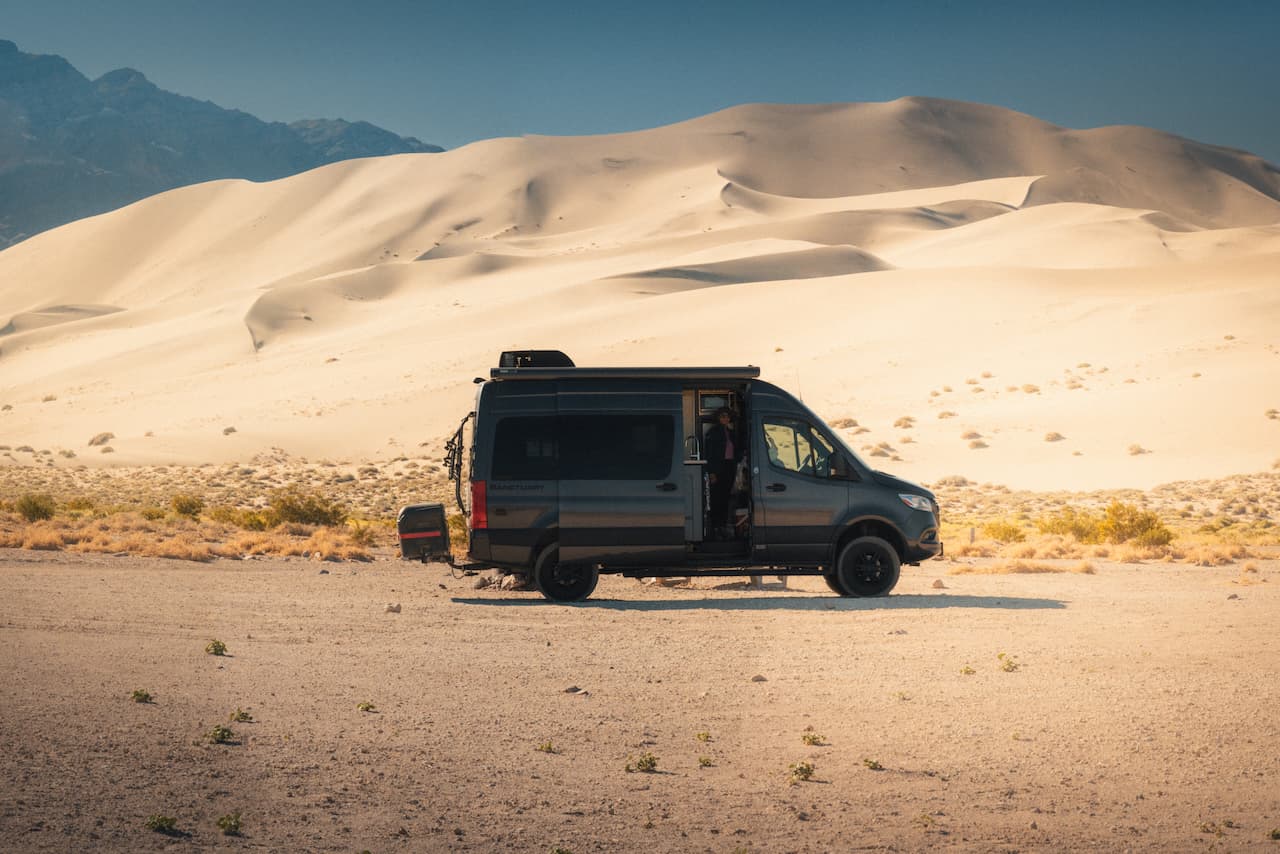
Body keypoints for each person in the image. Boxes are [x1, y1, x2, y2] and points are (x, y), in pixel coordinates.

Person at [704, 407, 742, 538]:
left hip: (729, 468)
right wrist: (712, 472)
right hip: (717, 469)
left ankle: (723, 526)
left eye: (727, 416)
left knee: (726, 498)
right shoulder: (713, 432)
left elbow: (737, 451)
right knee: (716, 499)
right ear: (718, 418)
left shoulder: (731, 433)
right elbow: (709, 454)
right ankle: (715, 527)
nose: (725, 418)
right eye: (723, 416)